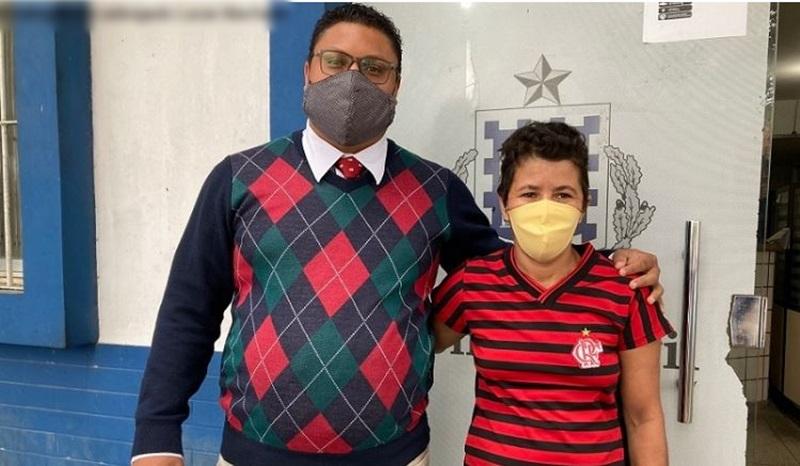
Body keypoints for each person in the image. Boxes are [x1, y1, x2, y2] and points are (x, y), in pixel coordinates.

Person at [131, 5, 664, 466]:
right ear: (308, 70)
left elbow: (516, 267)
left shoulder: (436, 190)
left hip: (396, 455)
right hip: (255, 453)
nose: (353, 80)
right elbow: (188, 310)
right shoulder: (240, 179)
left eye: (375, 68)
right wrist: (156, 438)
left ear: (396, 85)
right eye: (336, 61)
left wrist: (612, 264)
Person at [432, 121, 674, 466]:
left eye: (563, 194)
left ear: (583, 203)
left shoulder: (626, 288)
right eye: (529, 194)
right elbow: (415, 345)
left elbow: (644, 417)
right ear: (504, 203)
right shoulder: (474, 282)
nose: (546, 209)